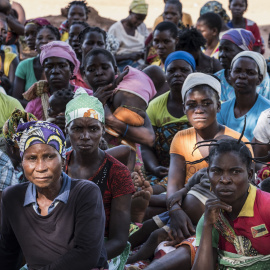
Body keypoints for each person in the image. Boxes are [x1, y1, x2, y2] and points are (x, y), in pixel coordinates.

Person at [127, 73, 252, 269]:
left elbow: (241, 197)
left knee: (158, 231)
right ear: (184, 108)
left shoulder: (236, 143)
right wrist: (176, 211)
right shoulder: (182, 137)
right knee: (149, 225)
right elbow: (174, 186)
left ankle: (144, 257)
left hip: (217, 216)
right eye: (191, 104)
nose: (199, 109)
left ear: (218, 106)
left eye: (206, 103)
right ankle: (119, 255)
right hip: (181, 203)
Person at [0, 121, 108, 269]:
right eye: (31, 158)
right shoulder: (12, 197)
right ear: (22, 162)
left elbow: (86, 254)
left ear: (63, 160)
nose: (40, 167)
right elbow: (8, 252)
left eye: (49, 157)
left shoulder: (85, 192)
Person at [64, 90, 135, 269]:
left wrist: (79, 260)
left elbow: (119, 240)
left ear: (103, 130)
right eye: (78, 128)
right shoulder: (56, 165)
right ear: (67, 130)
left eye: (93, 128)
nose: (86, 136)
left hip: (102, 251)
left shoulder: (118, 173)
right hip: (58, 247)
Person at [192, 138, 270, 270]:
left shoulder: (266, 206)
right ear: (208, 174)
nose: (225, 180)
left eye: (235, 172)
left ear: (250, 175)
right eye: (217, 171)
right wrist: (207, 225)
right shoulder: (210, 217)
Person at [142, 51, 195, 196]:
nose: (177, 74)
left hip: (193, 168)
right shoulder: (154, 106)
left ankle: (152, 193)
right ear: (165, 75)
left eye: (184, 70)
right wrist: (154, 167)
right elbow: (147, 146)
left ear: (193, 73)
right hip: (161, 169)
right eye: (171, 70)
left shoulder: (203, 105)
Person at [83, 47, 155, 152]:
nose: (99, 73)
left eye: (105, 67)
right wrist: (95, 106)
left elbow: (149, 138)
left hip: (132, 166)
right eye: (91, 70)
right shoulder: (83, 103)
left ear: (115, 69)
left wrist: (111, 120)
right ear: (84, 75)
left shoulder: (128, 97)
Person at [23, 41, 92, 121]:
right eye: (49, 66)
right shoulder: (35, 105)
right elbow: (25, 130)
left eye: (62, 66)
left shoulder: (87, 96)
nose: (55, 71)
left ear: (71, 69)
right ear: (44, 70)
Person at [217, 51, 270, 141]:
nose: (242, 76)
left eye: (250, 72)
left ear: (259, 79)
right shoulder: (222, 110)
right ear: (230, 75)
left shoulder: (267, 111)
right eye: (237, 71)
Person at [214, 28, 270, 101]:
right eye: (220, 50)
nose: (221, 55)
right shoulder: (216, 80)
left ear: (244, 51)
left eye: (227, 50)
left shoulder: (261, 79)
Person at [13, 25, 60, 107]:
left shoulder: (64, 66)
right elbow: (15, 100)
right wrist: (37, 108)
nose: (44, 41)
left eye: (49, 38)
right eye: (40, 38)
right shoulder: (24, 66)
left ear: (58, 42)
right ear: (35, 43)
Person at [108, 0, 148, 71]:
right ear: (130, 12)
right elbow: (108, 56)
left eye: (142, 19)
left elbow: (147, 43)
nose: (140, 22)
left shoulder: (142, 26)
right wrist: (129, 56)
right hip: (122, 64)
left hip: (141, 61)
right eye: (137, 18)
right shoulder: (115, 29)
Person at [0, 18, 19, 86]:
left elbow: (12, 90)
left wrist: (4, 82)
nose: (0, 34)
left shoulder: (11, 58)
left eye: (4, 32)